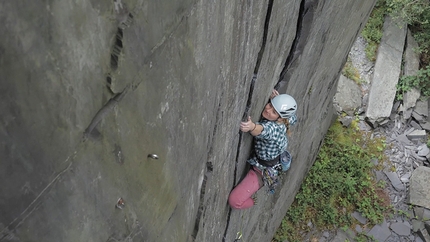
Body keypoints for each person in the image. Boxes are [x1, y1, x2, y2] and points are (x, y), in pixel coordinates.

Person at [228, 90, 297, 209]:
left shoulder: (273, 128)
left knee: (235, 201)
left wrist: (251, 127)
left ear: (280, 119)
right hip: (272, 159)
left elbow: (263, 130)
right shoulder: (287, 119)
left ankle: (252, 202)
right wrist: (278, 100)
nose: (268, 110)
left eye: (274, 112)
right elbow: (293, 117)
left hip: (261, 171)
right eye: (270, 104)